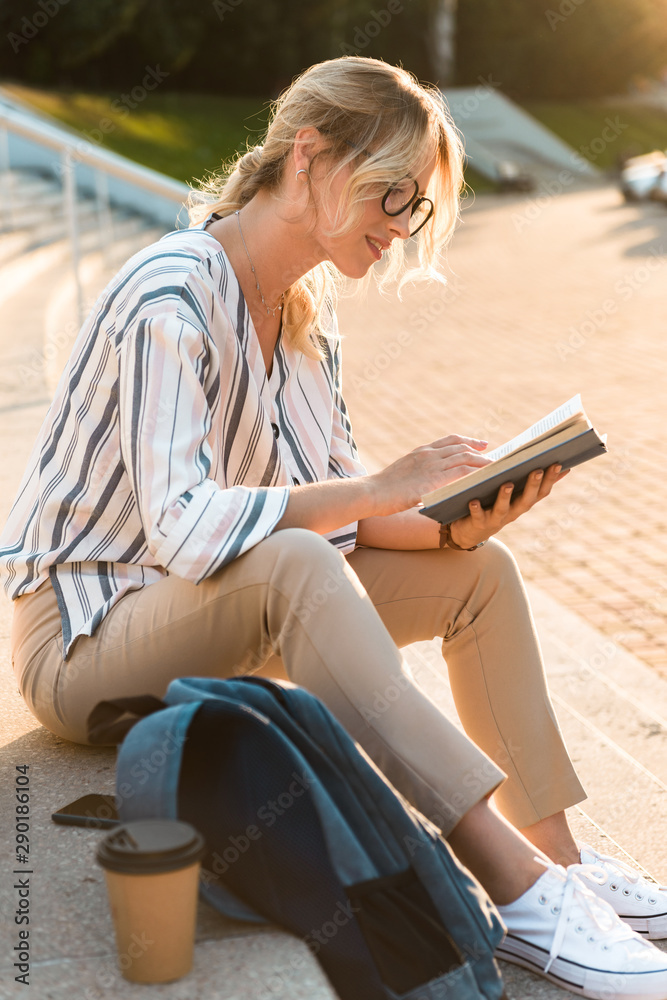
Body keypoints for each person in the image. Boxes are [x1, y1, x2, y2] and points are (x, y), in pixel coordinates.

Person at [1, 56, 666, 997]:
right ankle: (517, 891)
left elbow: (339, 510)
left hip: (210, 609)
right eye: (392, 196)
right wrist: (377, 489)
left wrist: (454, 523)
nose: (399, 230)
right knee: (294, 560)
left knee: (481, 578)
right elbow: (192, 530)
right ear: (308, 157)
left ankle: (557, 855)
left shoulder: (309, 314)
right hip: (85, 640)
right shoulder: (171, 295)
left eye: (415, 209)